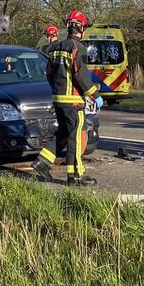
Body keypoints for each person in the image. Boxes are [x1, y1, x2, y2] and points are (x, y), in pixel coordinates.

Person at [31, 11, 100, 186]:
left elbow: (48, 73)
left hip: (58, 100)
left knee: (61, 133)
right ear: (81, 28)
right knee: (74, 137)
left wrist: (57, 91)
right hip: (73, 102)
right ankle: (74, 176)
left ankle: (42, 162)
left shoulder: (54, 49)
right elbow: (81, 76)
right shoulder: (78, 48)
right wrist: (95, 95)